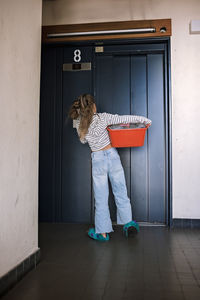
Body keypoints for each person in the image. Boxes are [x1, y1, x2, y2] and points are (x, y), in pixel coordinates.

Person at [68, 94, 152, 241]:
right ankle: (128, 224)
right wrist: (145, 121)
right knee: (120, 190)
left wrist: (79, 120)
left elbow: (82, 141)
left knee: (101, 197)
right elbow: (124, 119)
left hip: (98, 159)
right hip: (112, 156)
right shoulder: (103, 117)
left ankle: (102, 233)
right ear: (94, 106)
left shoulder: (80, 123)